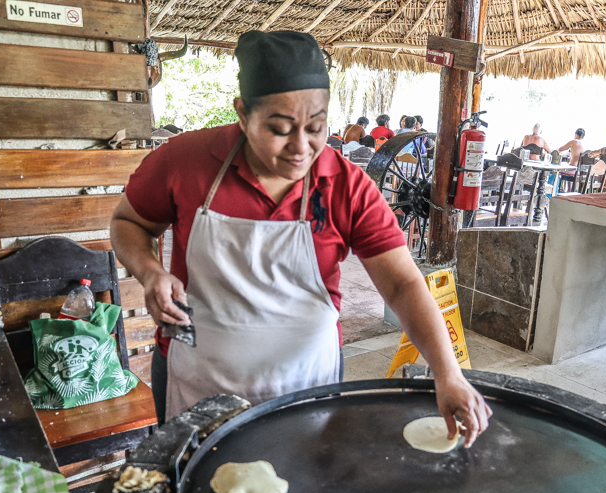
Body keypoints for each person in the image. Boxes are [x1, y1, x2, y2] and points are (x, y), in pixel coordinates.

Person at [109, 30, 490, 445]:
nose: (301, 147)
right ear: (242, 113)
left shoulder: (346, 186)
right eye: (280, 128)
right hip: (198, 380)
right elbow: (128, 222)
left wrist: (447, 373)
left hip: (306, 384)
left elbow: (402, 284)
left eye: (316, 127)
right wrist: (149, 273)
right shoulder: (184, 161)